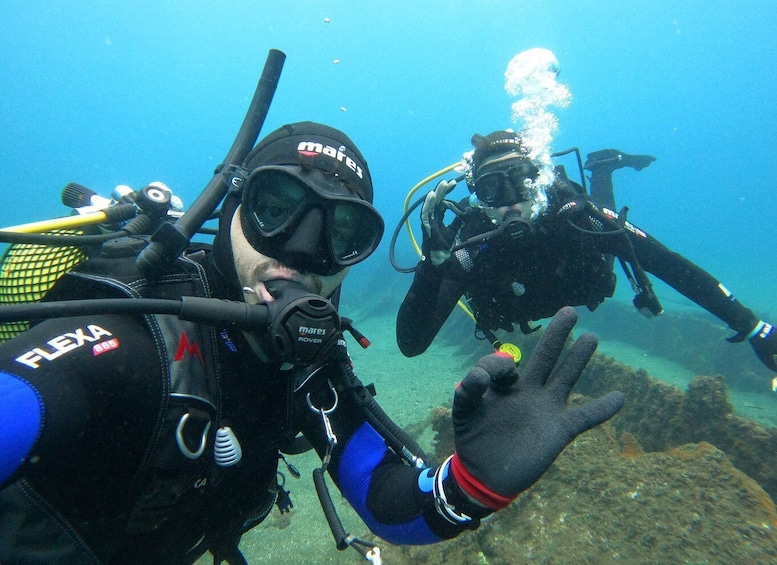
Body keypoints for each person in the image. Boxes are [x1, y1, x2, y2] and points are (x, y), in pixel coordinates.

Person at [0, 121, 624, 564]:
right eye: (277, 207)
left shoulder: (308, 368)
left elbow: (389, 504)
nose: (300, 252)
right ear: (234, 207)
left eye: (341, 230)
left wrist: (468, 487)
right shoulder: (131, 345)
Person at [396, 129, 777, 376]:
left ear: (539, 179)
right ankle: (601, 166)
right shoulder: (470, 247)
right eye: (494, 189)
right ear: (478, 197)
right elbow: (411, 344)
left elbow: (666, 263)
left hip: (586, 279)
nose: (511, 203)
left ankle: (601, 168)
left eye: (521, 182)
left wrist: (750, 324)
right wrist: (432, 267)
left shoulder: (574, 216)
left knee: (601, 229)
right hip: (545, 295)